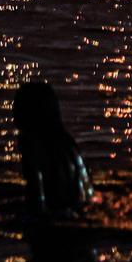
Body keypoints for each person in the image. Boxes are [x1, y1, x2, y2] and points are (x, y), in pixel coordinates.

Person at [14, 82, 95, 217]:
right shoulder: (69, 144)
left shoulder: (34, 146)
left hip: (54, 225)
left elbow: (36, 203)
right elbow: (89, 194)